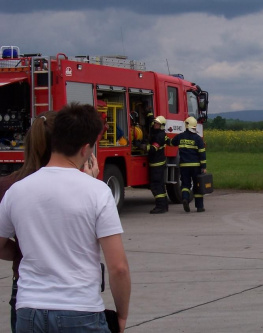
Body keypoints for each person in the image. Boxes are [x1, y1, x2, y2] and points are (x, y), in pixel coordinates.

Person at [0, 103, 131, 332]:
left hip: (29, 310)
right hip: (80, 310)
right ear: (85, 148)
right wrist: (122, 315)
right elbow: (118, 267)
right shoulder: (97, 192)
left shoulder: (17, 191)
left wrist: (28, 253)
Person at [167, 116, 207, 213]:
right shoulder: (198, 139)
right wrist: (203, 167)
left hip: (184, 166)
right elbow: (202, 154)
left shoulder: (180, 136)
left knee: (185, 185)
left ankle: (185, 198)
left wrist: (163, 137)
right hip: (196, 166)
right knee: (197, 186)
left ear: (186, 125)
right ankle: (200, 207)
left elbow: (171, 143)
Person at [148, 115, 169, 214]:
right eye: (155, 123)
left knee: (156, 186)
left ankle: (160, 207)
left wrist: (143, 146)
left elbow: (153, 149)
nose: (155, 124)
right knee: (160, 185)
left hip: (157, 164)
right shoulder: (158, 133)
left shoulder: (159, 136)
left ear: (161, 126)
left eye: (157, 123)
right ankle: (164, 206)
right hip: (158, 163)